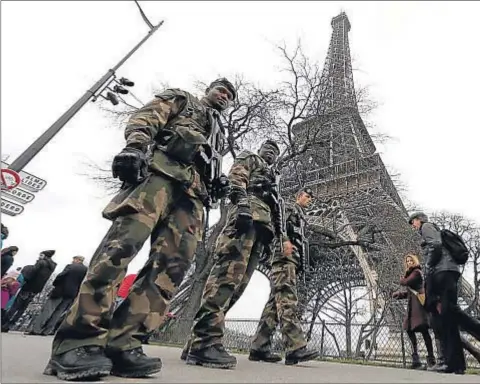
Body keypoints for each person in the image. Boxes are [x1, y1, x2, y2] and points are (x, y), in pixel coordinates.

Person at [43, 78, 236, 381]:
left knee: (171, 269)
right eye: (221, 89)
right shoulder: (185, 99)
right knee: (122, 248)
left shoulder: (219, 136)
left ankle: (124, 342)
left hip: (193, 196)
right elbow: (149, 116)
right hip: (159, 175)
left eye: (230, 95)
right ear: (208, 90)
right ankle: (79, 340)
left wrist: (217, 181)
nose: (224, 96)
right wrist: (135, 146)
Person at [184, 139, 293, 369]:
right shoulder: (251, 158)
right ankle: (204, 341)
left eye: (276, 152)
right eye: (268, 149)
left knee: (237, 287)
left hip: (261, 232)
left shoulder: (273, 180)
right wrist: (242, 204)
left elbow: (277, 212)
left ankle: (199, 338)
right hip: (244, 221)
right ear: (260, 149)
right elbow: (237, 178)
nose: (271, 153)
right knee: (226, 278)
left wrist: (278, 236)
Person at [408, 212, 480, 374]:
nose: (412, 225)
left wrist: (428, 268)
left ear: (419, 220)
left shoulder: (426, 227)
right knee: (449, 317)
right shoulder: (432, 230)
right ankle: (455, 364)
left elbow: (435, 245)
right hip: (448, 271)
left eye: (413, 222)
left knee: (451, 314)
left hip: (442, 273)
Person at [249, 187, 319, 366]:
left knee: (274, 303)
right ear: (298, 196)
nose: (310, 199)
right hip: (284, 257)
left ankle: (259, 346)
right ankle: (295, 346)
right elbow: (279, 227)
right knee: (287, 298)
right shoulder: (289, 208)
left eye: (312, 197)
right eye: (307, 195)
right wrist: (285, 242)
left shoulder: (302, 217)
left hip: (290, 259)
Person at [392, 254, 435, 370]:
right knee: (410, 330)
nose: (409, 262)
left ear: (415, 261)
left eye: (411, 260)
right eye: (407, 261)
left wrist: (401, 279)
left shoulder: (416, 273)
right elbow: (410, 292)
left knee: (424, 331)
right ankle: (417, 359)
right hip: (413, 308)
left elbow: (405, 282)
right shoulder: (411, 275)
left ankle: (430, 359)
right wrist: (399, 295)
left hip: (419, 309)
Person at [28, 256, 87, 336]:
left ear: (77, 260)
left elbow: (61, 276)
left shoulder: (70, 266)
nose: (72, 261)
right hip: (72, 294)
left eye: (74, 259)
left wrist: (55, 283)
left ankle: (36, 329)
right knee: (58, 312)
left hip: (60, 291)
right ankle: (47, 331)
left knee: (48, 310)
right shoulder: (85, 270)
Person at [2, 250, 57, 332]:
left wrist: (25, 278)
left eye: (41, 255)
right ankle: (10, 325)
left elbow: (32, 273)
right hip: (37, 289)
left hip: (28, 287)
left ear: (45, 256)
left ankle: (4, 324)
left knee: (15, 306)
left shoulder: (41, 262)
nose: (39, 256)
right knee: (22, 308)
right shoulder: (52, 266)